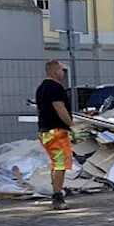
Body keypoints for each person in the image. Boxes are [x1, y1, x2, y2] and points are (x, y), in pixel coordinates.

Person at [36, 60, 75, 210]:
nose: (63, 73)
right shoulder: (55, 88)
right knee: (60, 165)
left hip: (45, 131)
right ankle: (58, 197)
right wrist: (71, 126)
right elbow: (59, 107)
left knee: (55, 164)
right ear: (54, 71)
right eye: (61, 70)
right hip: (57, 132)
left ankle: (56, 193)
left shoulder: (41, 88)